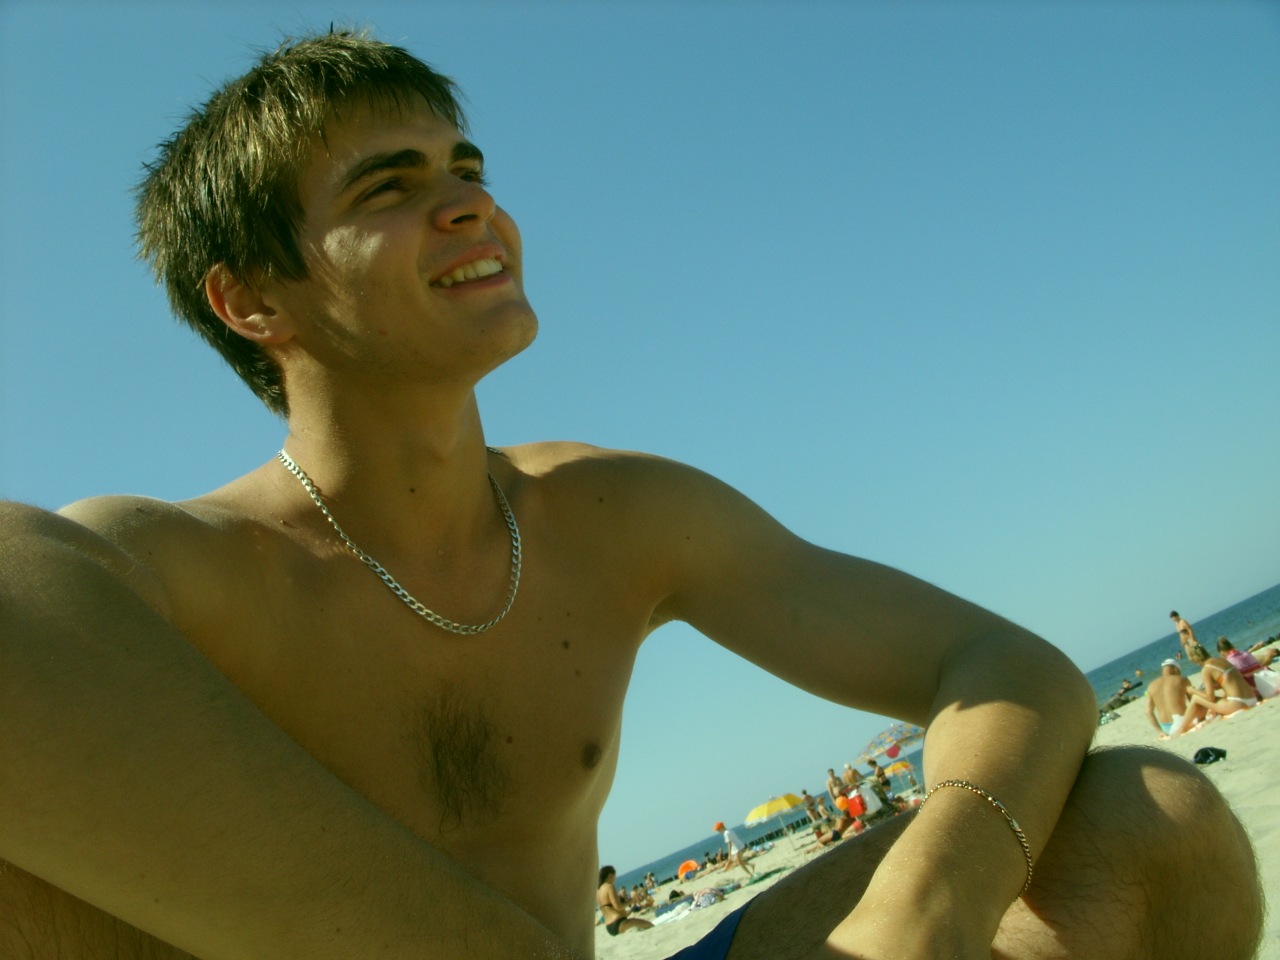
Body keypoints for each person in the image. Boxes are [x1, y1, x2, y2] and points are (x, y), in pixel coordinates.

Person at [0, 29, 1263, 960]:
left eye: (464, 167)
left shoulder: (607, 513)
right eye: (390, 189)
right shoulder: (178, 571)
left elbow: (1007, 667)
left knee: (1149, 814)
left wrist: (920, 908)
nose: (469, 203)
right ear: (250, 299)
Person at [1185, 642, 1258, 722]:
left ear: (1195, 659)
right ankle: (1198, 720)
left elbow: (1210, 698)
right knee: (1204, 695)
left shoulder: (1206, 669)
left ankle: (1181, 728)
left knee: (1196, 697)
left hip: (1238, 704)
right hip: (1252, 698)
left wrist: (1193, 691)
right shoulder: (1223, 660)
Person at [596, 867, 652, 937]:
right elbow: (618, 907)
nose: (615, 879)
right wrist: (630, 901)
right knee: (649, 925)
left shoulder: (598, 891)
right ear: (610, 875)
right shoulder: (609, 887)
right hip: (618, 923)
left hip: (609, 926)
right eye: (615, 876)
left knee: (638, 923)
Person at [1144, 660, 1194, 739]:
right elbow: (1193, 701)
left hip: (1165, 728)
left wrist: (1160, 732)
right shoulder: (1182, 679)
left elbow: (1148, 712)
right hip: (1182, 722)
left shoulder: (1151, 685)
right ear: (1176, 669)